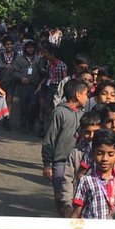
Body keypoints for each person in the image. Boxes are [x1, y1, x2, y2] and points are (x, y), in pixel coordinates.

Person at [42, 78, 89, 216]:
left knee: (77, 197)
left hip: (79, 162)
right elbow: (50, 138)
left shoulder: (83, 115)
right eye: (86, 94)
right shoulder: (59, 112)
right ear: (78, 95)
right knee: (61, 197)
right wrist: (47, 164)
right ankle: (62, 220)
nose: (87, 97)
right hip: (61, 161)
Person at [71, 130, 115, 219]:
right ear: (93, 154)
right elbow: (77, 212)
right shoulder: (86, 181)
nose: (105, 158)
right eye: (100, 153)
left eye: (110, 154)